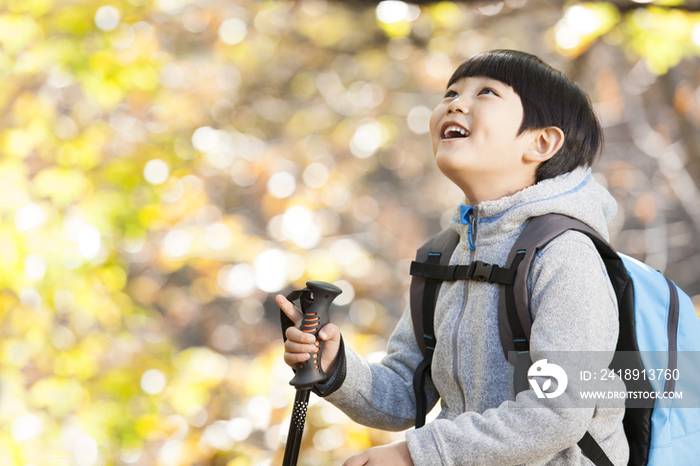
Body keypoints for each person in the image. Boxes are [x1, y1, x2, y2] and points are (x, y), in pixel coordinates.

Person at [277, 49, 628, 466]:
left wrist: (415, 455)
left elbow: (559, 412)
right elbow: (405, 395)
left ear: (542, 143)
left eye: (486, 93)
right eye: (451, 93)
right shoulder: (444, 255)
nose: (455, 104)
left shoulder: (565, 254)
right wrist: (334, 365)